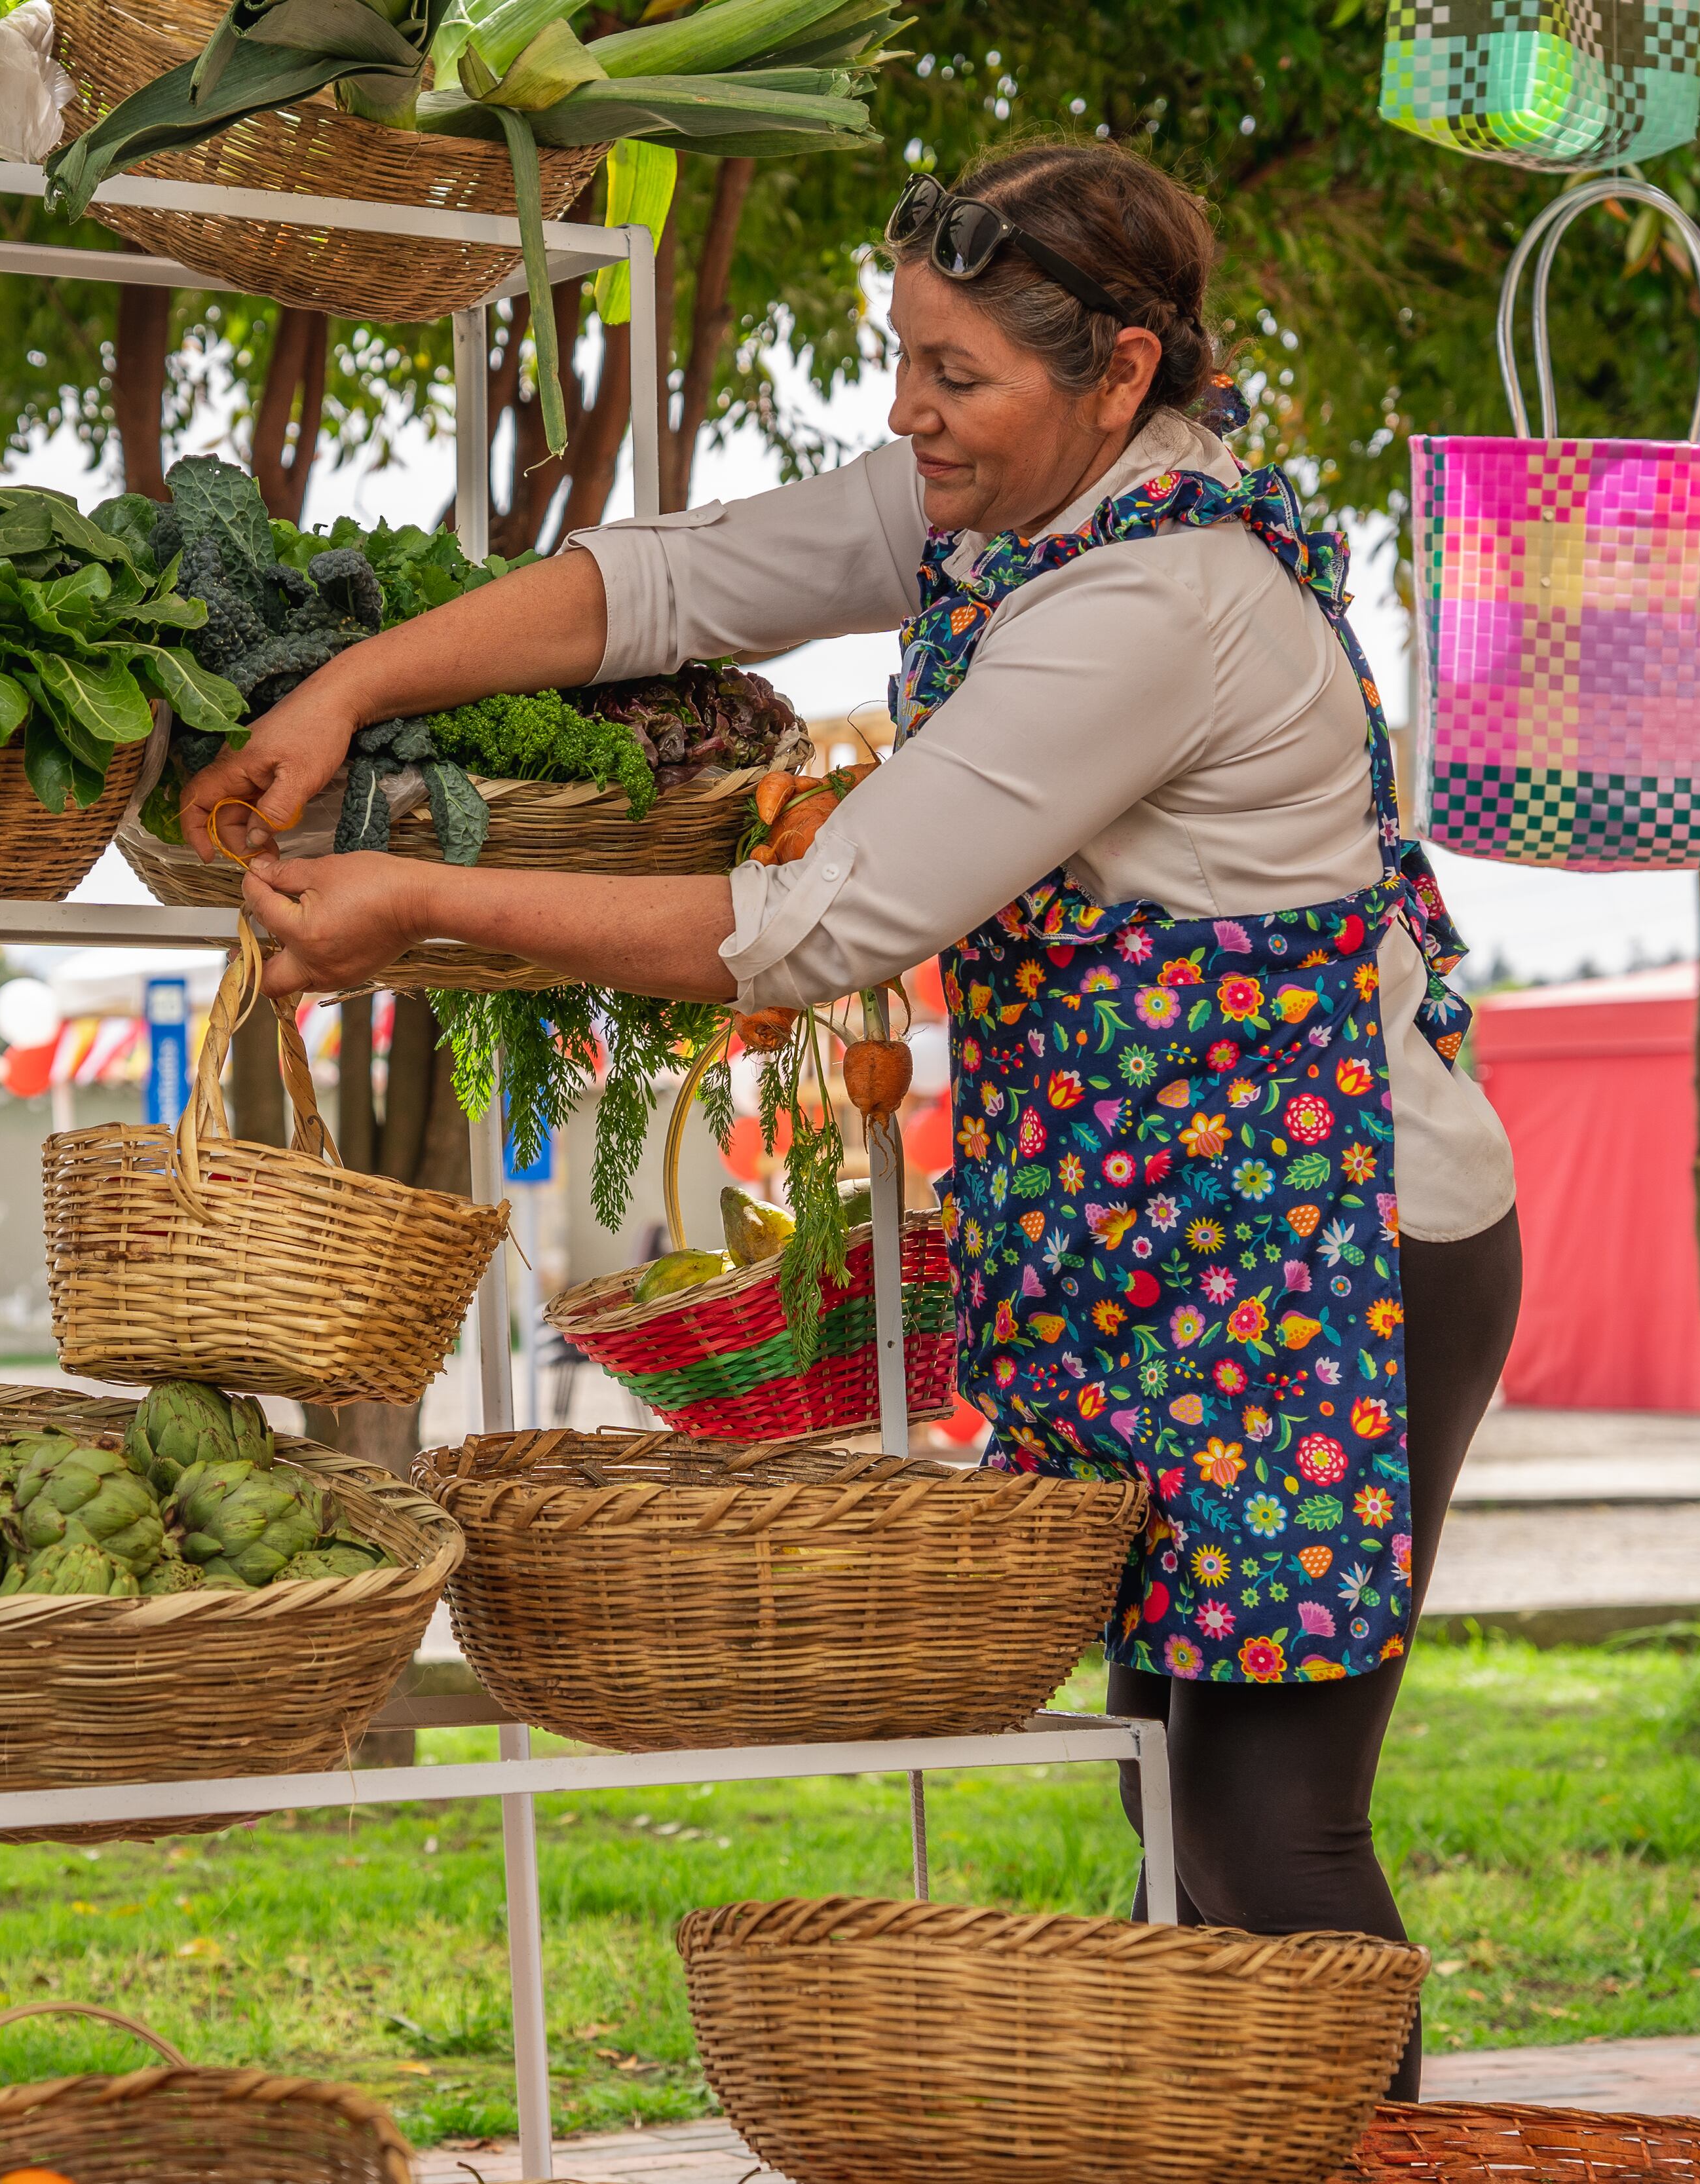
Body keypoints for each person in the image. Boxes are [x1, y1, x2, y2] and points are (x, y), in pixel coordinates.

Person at [180, 138, 1521, 2094]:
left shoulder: (1157, 604)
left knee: (1270, 1828)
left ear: (1118, 373)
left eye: (954, 373)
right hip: (1181, 1253)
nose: (909, 413)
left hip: (1335, 1253)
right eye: (903, 358)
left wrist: (428, 903)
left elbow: (817, 926)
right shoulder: (1020, 504)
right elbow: (679, 580)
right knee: (1169, 1793)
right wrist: (350, 685)